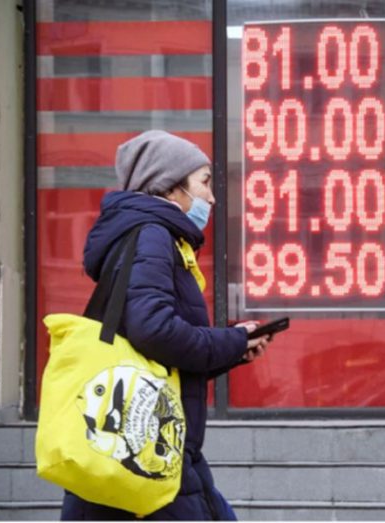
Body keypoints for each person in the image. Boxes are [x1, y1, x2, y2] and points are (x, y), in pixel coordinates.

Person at [61, 130, 271, 520]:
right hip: (150, 452)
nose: (211, 197)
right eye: (204, 183)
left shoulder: (148, 235)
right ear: (170, 187)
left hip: (146, 449)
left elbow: (156, 358)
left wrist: (235, 348)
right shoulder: (153, 235)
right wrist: (229, 340)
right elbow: (153, 330)